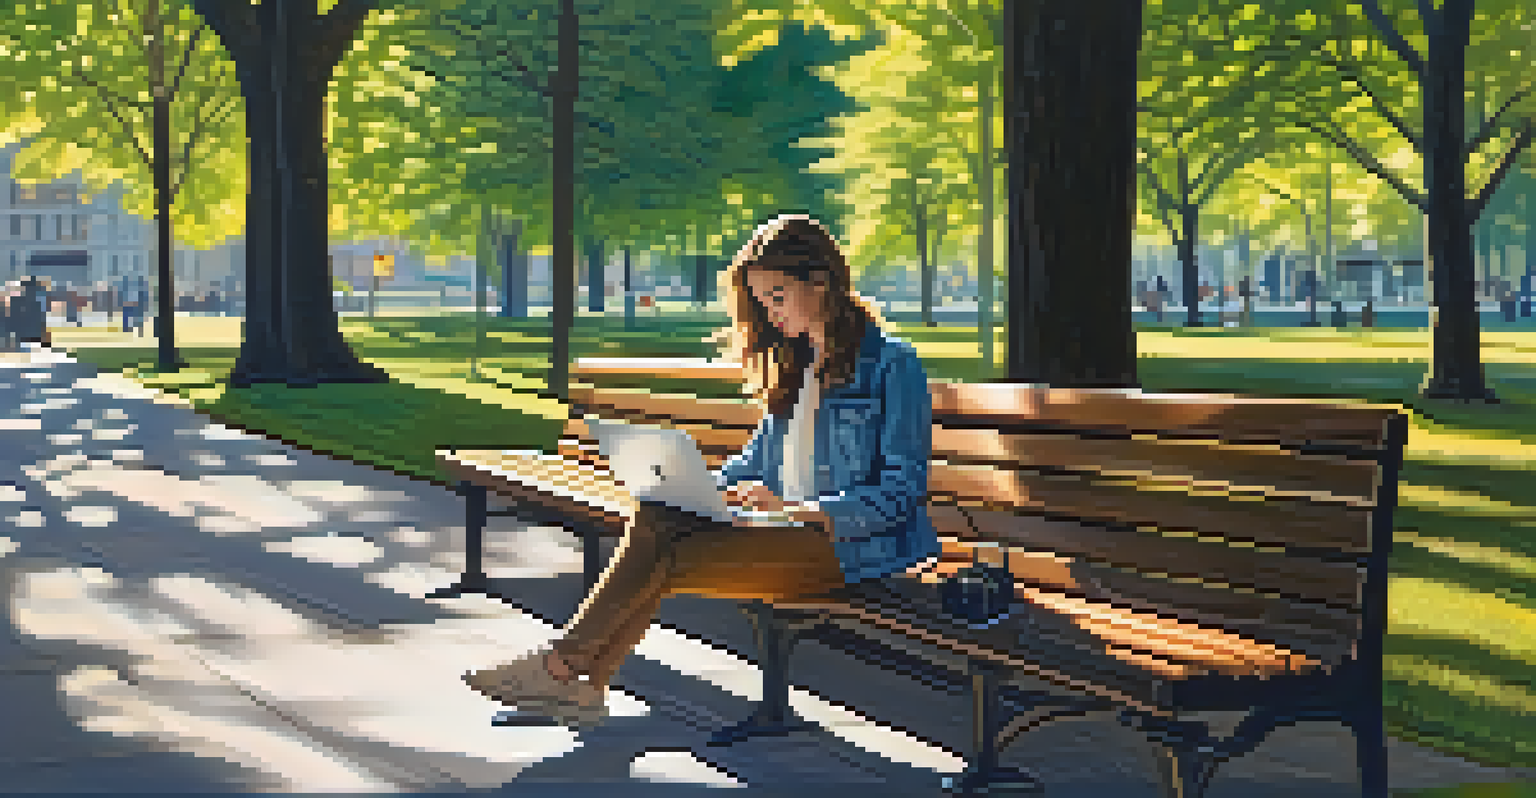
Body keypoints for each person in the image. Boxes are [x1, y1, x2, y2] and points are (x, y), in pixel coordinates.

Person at [462, 214, 940, 728]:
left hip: (852, 548)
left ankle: (565, 672)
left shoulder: (892, 364)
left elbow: (902, 491)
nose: (768, 311)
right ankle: (578, 683)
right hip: (785, 534)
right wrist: (700, 490)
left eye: (778, 295)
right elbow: (755, 460)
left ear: (821, 281)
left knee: (663, 554)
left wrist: (803, 510)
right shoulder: (797, 360)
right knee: (658, 518)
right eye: (761, 300)